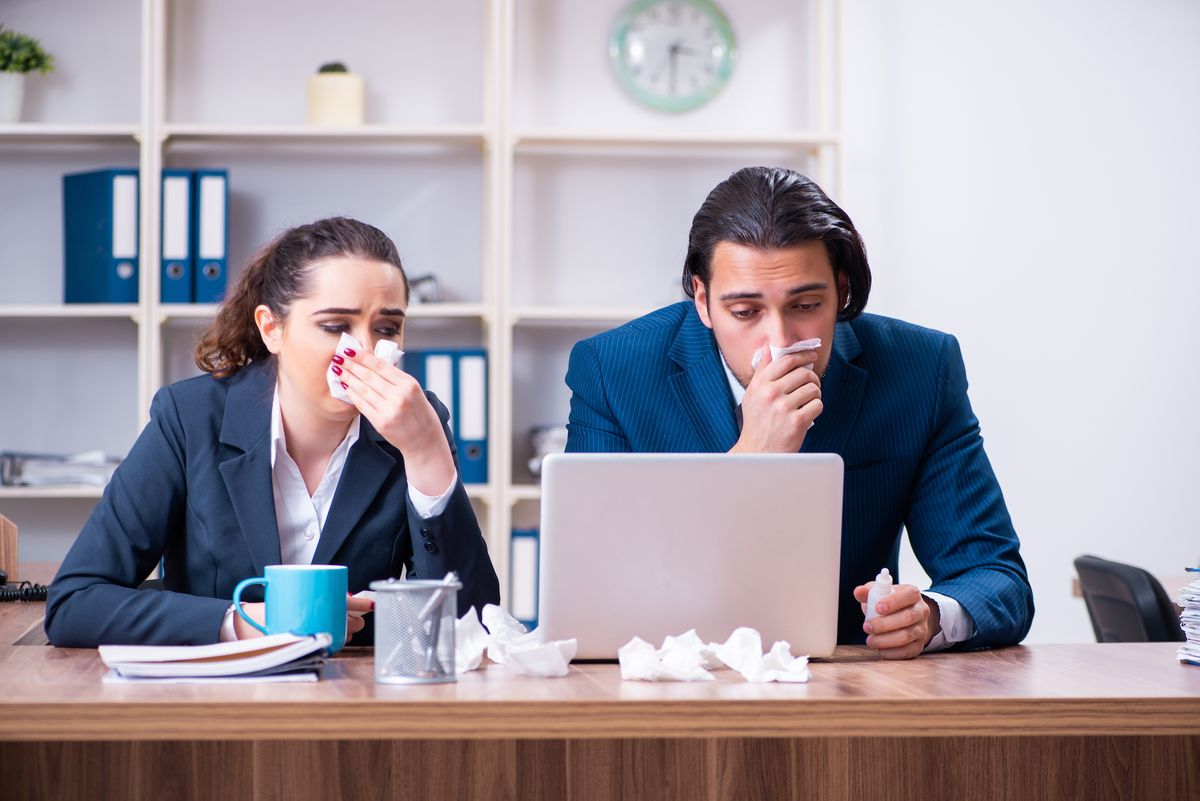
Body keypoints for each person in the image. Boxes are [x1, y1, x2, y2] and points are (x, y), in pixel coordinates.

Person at [564, 167, 1033, 659]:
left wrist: (931, 616)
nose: (780, 341)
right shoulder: (614, 370)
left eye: (806, 304)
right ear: (703, 301)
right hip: (666, 682)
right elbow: (590, 585)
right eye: (745, 312)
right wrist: (750, 458)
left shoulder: (920, 370)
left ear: (842, 292)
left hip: (842, 687)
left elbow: (996, 577)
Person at [45, 217, 500, 647]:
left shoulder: (417, 426)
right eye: (335, 326)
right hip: (214, 700)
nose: (362, 351)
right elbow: (74, 602)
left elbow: (475, 625)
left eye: (387, 328)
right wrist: (247, 623)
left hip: (356, 703)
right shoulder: (190, 417)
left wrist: (425, 454)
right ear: (272, 329)